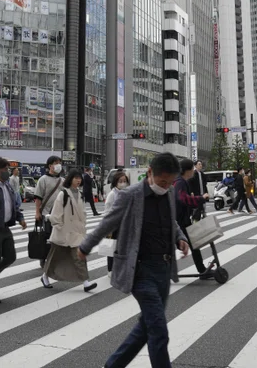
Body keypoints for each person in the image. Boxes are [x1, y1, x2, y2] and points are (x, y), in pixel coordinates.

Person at [77, 153, 190, 368]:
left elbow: (171, 220)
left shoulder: (169, 191)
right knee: (158, 329)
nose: (166, 186)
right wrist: (85, 246)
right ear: (149, 173)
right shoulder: (131, 195)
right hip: (140, 270)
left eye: (170, 182)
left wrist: (180, 238)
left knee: (146, 326)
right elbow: (108, 222)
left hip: (163, 269)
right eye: (162, 181)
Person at [43, 168, 97, 291]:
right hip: (63, 231)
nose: (78, 180)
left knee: (79, 257)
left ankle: (86, 282)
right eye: (76, 178)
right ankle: (45, 276)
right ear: (70, 179)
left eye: (79, 178)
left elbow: (82, 213)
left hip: (76, 232)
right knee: (54, 257)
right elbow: (56, 213)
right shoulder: (64, 194)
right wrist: (58, 225)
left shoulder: (81, 195)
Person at [0, 157, 26, 301]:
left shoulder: (7, 185)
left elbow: (13, 205)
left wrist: (20, 218)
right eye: (5, 170)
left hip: (5, 227)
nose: (7, 172)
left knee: (11, 256)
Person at [174, 158, 212, 279]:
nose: (193, 171)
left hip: (182, 219)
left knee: (194, 244)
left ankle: (202, 271)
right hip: (180, 221)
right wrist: (200, 198)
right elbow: (182, 199)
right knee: (189, 244)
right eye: (192, 169)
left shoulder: (181, 181)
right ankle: (202, 271)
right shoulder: (180, 182)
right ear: (187, 171)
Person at [34, 155, 65, 266]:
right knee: (47, 237)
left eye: (59, 163)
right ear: (50, 166)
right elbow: (38, 197)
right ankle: (44, 257)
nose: (58, 165)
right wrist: (37, 212)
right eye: (56, 163)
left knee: (59, 237)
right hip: (46, 213)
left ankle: (56, 258)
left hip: (60, 214)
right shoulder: (43, 179)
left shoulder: (63, 180)